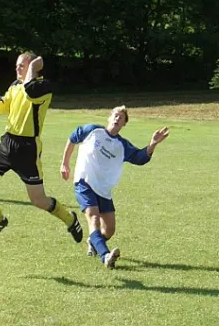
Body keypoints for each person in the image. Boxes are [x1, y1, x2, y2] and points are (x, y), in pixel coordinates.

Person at [0, 52, 83, 245]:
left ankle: (70, 219)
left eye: (22, 65)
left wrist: (32, 69)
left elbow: (30, 91)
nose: (17, 69)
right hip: (7, 143)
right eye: (17, 66)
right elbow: (4, 104)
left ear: (33, 66)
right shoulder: (15, 85)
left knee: (39, 200)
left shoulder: (43, 87)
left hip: (28, 149)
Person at [60, 105, 169, 269]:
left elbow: (140, 158)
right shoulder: (92, 130)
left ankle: (94, 241)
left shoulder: (122, 146)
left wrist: (153, 144)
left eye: (122, 118)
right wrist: (64, 164)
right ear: (109, 117)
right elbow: (72, 138)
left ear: (124, 124)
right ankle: (105, 256)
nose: (118, 118)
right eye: (116, 115)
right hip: (85, 182)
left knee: (109, 230)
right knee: (93, 218)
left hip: (104, 190)